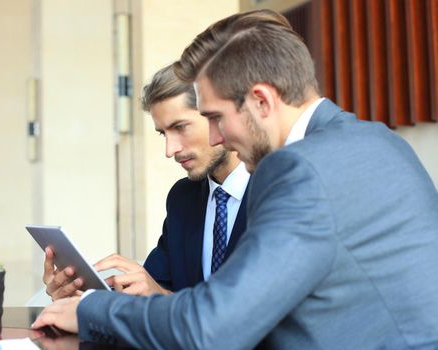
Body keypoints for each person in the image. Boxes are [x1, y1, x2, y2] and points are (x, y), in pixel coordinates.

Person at [33, 9, 438, 349]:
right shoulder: (380, 142)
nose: (215, 137)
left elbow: (213, 326)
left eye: (215, 118)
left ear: (261, 100)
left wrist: (90, 310)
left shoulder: (299, 170)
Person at [42, 64, 250, 299]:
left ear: (218, 115)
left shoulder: (276, 194)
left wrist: (161, 297)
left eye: (180, 127)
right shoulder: (183, 198)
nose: (170, 150)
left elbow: (254, 313)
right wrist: (83, 296)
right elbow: (149, 289)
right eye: (163, 133)